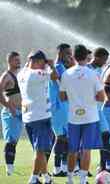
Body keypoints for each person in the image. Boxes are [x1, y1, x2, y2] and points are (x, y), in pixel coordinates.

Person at [60, 44, 104, 184]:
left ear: (73, 56)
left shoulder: (66, 74)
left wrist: (74, 97)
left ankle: (70, 179)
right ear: (86, 56)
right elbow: (102, 97)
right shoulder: (93, 74)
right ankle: (83, 180)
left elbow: (62, 97)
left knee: (72, 150)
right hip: (90, 117)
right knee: (86, 150)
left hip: (73, 117)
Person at [18, 50, 58, 184]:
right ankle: (33, 178)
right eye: (43, 62)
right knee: (40, 150)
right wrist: (52, 66)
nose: (44, 65)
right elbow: (54, 76)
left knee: (38, 150)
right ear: (36, 61)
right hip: (40, 117)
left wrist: (43, 63)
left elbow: (28, 66)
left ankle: (46, 176)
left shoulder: (21, 73)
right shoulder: (36, 74)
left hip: (29, 117)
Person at [49, 43, 73, 177]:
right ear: (61, 54)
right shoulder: (58, 67)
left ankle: (62, 168)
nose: (70, 56)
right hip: (59, 108)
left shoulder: (61, 67)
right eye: (68, 54)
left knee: (65, 138)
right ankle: (57, 169)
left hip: (63, 107)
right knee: (61, 137)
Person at [87, 47, 110, 173]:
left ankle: (102, 166)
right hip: (87, 109)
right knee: (85, 138)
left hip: (98, 109)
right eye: (104, 59)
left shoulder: (101, 69)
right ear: (97, 58)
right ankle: (80, 166)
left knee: (106, 134)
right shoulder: (86, 70)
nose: (105, 62)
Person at [0, 52, 23, 176]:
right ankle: (9, 168)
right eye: (16, 60)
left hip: (21, 112)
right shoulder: (6, 76)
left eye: (19, 60)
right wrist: (8, 106)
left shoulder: (19, 75)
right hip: (11, 113)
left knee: (15, 141)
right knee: (11, 140)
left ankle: (11, 166)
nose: (19, 62)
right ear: (9, 61)